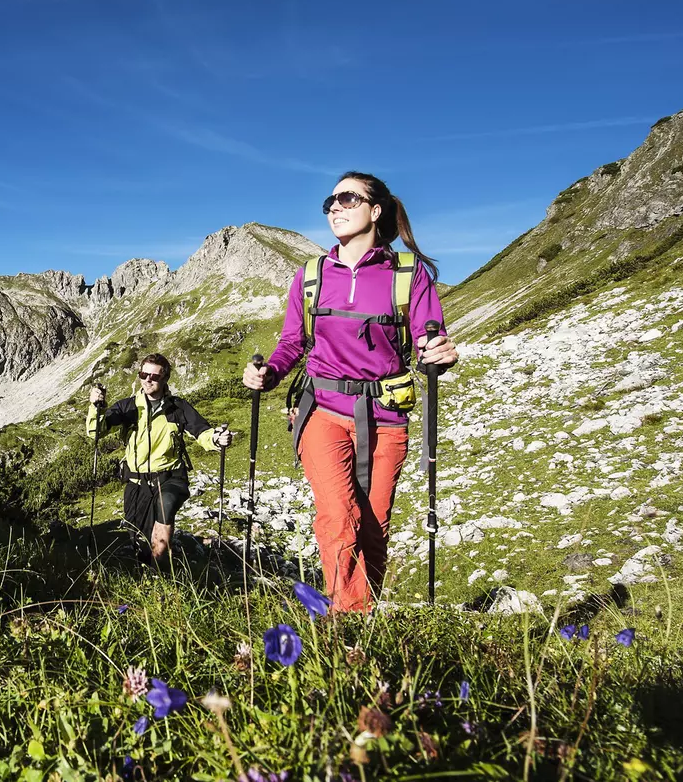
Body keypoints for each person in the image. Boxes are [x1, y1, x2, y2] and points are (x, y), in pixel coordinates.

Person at [242, 172, 458, 612]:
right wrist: (271, 374)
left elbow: (426, 338)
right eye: (330, 201)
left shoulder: (408, 274)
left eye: (346, 198)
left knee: (375, 525)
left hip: (386, 415)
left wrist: (438, 353)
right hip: (321, 408)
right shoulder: (310, 274)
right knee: (339, 517)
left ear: (376, 211)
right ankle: (348, 623)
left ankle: (363, 616)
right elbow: (292, 342)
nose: (334, 208)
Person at [88, 354, 235, 562]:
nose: (148, 379)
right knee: (138, 541)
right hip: (136, 481)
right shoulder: (128, 407)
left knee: (165, 505)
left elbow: (201, 431)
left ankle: (159, 572)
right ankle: (149, 565)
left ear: (165, 379)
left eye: (154, 376)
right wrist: (96, 408)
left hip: (170, 477)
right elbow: (97, 431)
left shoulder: (177, 407)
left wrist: (217, 438)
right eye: (143, 374)